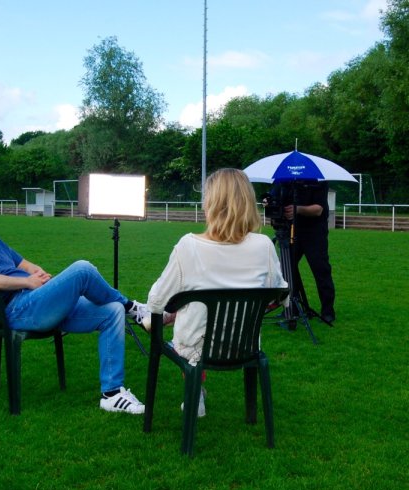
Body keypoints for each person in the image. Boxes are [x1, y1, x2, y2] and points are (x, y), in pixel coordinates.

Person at [0, 185, 146, 414]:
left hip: (37, 302)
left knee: (112, 310)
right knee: (82, 269)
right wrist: (28, 282)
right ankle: (135, 309)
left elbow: (27, 266)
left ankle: (112, 394)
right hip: (16, 311)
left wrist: (40, 277)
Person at [130, 168, 288, 417]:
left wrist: (173, 310)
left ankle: (195, 392)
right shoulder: (264, 246)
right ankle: (199, 393)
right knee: (193, 310)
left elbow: (156, 302)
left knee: (185, 315)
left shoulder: (189, 246)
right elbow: (281, 295)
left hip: (198, 348)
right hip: (245, 346)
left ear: (211, 203)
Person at [281, 180, 336, 324]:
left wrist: (296, 209)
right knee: (288, 270)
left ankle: (328, 311)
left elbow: (318, 209)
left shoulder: (319, 182)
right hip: (293, 230)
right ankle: (291, 307)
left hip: (315, 232)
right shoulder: (286, 182)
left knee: (321, 270)